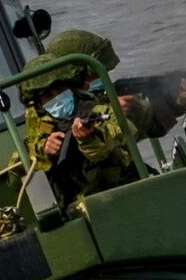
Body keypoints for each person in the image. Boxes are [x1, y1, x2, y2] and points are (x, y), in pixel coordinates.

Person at [18, 52, 140, 204]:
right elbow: (15, 172)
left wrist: (88, 139)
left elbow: (123, 134)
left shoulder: (98, 110)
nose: (56, 96)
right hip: (75, 207)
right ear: (39, 104)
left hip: (121, 193)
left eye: (60, 89)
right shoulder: (40, 130)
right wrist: (44, 150)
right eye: (48, 95)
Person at [41, 29, 186, 139]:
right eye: (92, 74)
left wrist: (175, 100)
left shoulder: (94, 100)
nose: (99, 79)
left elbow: (151, 127)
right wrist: (108, 115)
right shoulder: (48, 112)